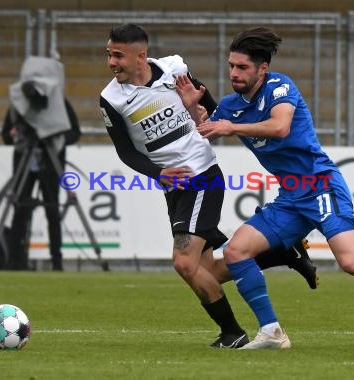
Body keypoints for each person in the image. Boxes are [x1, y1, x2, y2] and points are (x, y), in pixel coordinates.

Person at [176, 26, 354, 351]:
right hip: (291, 196)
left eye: (242, 67)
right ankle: (272, 331)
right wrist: (192, 107)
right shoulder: (233, 105)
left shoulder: (279, 86)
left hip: (321, 187)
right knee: (236, 251)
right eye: (231, 65)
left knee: (352, 262)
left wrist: (232, 126)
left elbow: (280, 126)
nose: (234, 73)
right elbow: (205, 131)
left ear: (263, 68)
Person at [99, 23, 317, 348]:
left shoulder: (174, 70)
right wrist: (159, 174)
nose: (112, 62)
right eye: (109, 54)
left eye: (118, 55)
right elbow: (126, 151)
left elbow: (211, 110)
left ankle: (233, 333)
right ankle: (281, 253)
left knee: (184, 262)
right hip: (173, 186)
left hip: (201, 176)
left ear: (140, 56)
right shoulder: (111, 99)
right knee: (208, 272)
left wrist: (202, 112)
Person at [2, 56, 81, 271]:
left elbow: (75, 132)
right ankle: (14, 261)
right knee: (20, 211)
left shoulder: (60, 104)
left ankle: (57, 261)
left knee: (52, 212)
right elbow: (5, 136)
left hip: (50, 163)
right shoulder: (19, 105)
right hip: (25, 165)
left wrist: (56, 137)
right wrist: (16, 135)